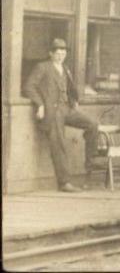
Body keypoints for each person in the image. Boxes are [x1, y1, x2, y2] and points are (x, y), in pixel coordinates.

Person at [24, 38, 99, 192]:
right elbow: (29, 87)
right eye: (57, 53)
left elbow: (70, 89)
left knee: (93, 124)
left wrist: (74, 101)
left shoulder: (65, 68)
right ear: (50, 54)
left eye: (63, 53)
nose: (60, 56)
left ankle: (90, 166)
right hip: (53, 112)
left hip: (67, 109)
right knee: (59, 144)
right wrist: (40, 104)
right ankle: (64, 183)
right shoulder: (42, 67)